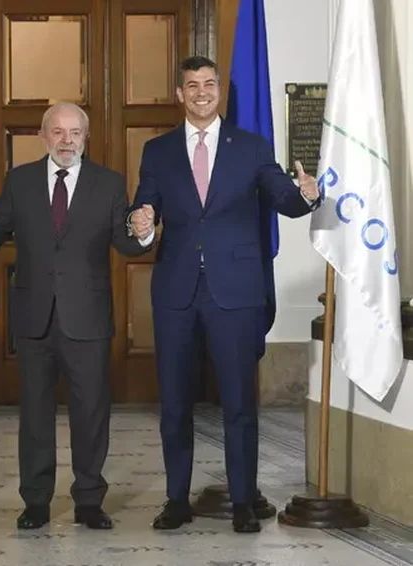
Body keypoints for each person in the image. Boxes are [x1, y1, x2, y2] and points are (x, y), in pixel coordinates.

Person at [128, 56, 320, 533]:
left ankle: (242, 502)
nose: (201, 92)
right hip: (176, 292)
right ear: (180, 94)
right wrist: (141, 222)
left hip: (235, 291)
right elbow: (144, 207)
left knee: (239, 404)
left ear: (220, 91)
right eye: (192, 85)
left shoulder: (251, 147)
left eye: (209, 84)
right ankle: (176, 500)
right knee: (175, 404)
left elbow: (283, 198)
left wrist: (306, 195)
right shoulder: (158, 150)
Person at [0, 101, 152, 530]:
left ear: (86, 138)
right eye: (58, 132)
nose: (67, 141)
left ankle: (89, 501)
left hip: (87, 317)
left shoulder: (109, 183)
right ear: (43, 136)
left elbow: (125, 243)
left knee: (90, 414)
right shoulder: (20, 180)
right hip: (35, 317)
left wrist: (142, 233)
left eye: (75, 133)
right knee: (35, 415)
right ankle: (35, 502)